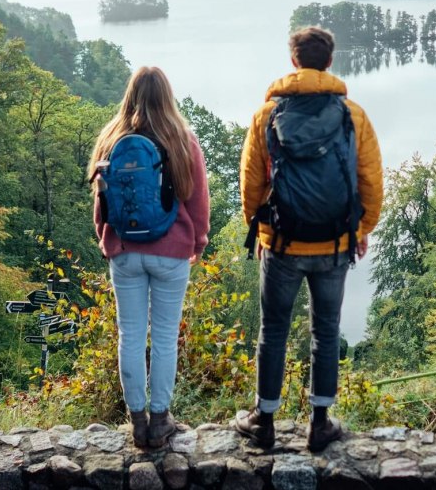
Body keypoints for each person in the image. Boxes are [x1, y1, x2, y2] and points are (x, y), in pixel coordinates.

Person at [233, 26, 383, 452]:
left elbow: (251, 182)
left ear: (294, 62)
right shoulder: (353, 115)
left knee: (274, 330)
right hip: (335, 244)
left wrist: (261, 229)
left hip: (281, 245)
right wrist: (360, 230)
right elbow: (371, 179)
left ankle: (264, 421)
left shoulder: (267, 116)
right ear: (329, 62)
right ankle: (320, 423)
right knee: (327, 330)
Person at [89, 66, 210, 449]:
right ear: (167, 96)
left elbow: (101, 201)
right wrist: (199, 240)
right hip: (171, 251)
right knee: (164, 338)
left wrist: (106, 238)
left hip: (124, 251)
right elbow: (197, 197)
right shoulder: (181, 138)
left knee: (130, 335)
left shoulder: (111, 139)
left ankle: (137, 421)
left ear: (130, 94)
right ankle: (160, 422)